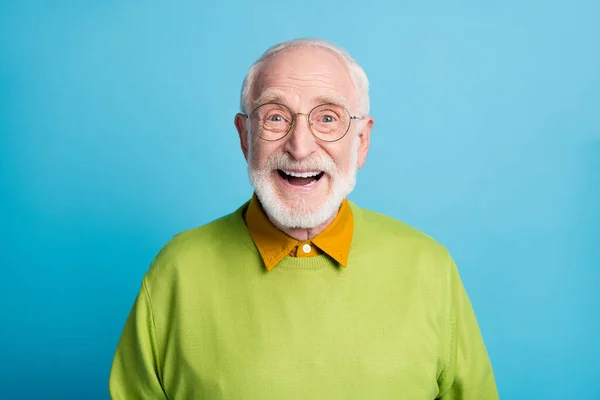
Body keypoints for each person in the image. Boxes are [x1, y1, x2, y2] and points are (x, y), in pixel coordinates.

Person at [109, 38, 499, 399]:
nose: (300, 146)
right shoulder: (176, 271)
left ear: (361, 141)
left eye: (327, 118)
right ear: (246, 137)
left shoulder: (429, 268)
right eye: (276, 117)